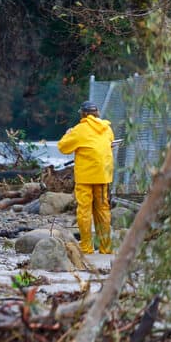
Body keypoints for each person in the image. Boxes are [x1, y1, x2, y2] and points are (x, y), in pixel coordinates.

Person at [57, 100, 115, 254]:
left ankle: (87, 247)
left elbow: (63, 147)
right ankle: (106, 247)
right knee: (103, 210)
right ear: (97, 113)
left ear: (83, 114)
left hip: (85, 177)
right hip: (103, 176)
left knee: (84, 211)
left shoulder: (79, 129)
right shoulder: (107, 128)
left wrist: (68, 134)